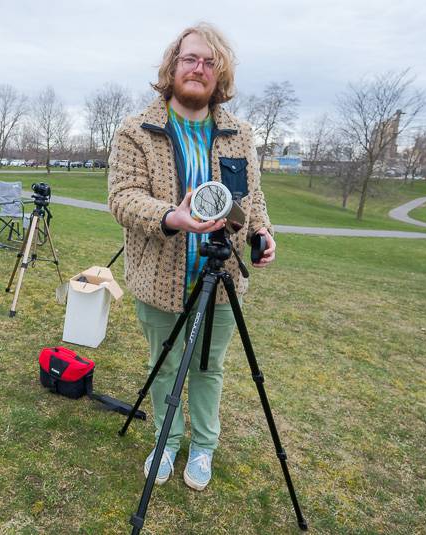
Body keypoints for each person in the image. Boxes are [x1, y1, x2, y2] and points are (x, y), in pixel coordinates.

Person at [107, 23, 276, 491]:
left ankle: (202, 446)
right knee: (163, 365)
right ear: (173, 66)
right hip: (158, 275)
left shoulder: (239, 134)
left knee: (208, 368)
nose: (198, 68)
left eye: (208, 61)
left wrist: (263, 232)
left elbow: (252, 198)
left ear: (219, 73)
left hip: (221, 277)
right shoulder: (136, 130)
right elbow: (122, 197)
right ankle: (166, 440)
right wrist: (171, 217)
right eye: (190, 59)